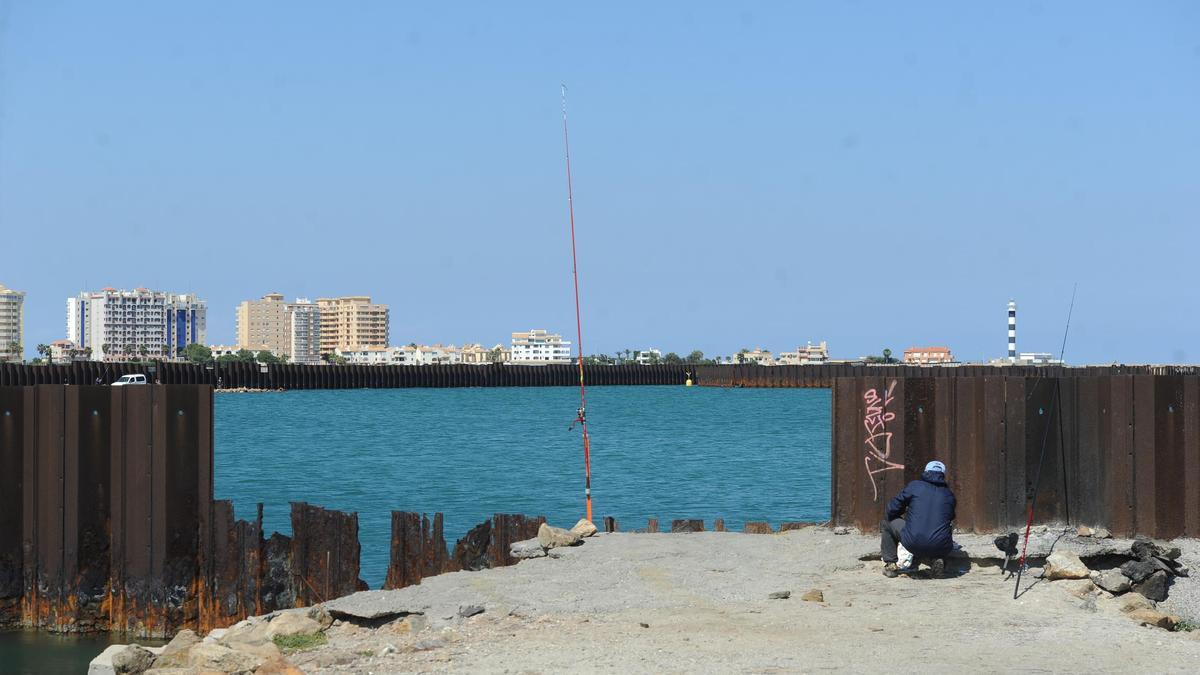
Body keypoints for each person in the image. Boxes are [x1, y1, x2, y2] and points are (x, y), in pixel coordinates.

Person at [881, 460, 956, 578]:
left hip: (913, 542)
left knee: (886, 522)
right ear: (943, 475)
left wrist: (903, 515)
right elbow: (950, 517)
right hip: (942, 546)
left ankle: (890, 565)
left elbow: (891, 509)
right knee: (945, 527)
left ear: (926, 472)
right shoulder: (949, 494)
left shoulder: (915, 486)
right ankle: (937, 558)